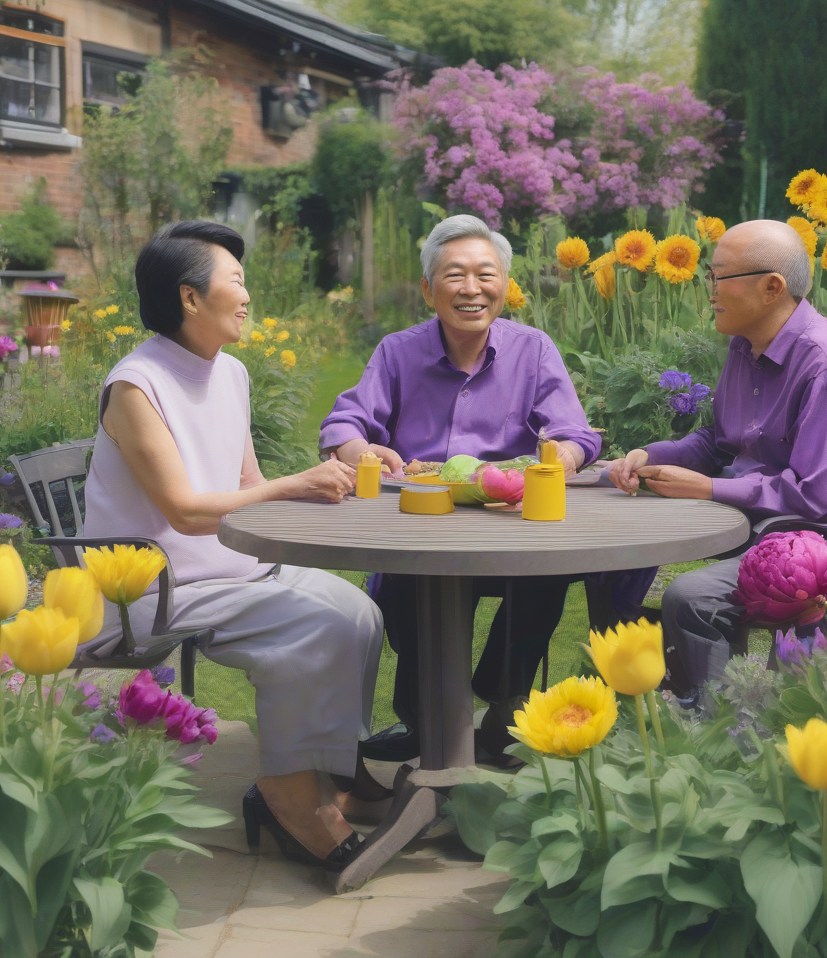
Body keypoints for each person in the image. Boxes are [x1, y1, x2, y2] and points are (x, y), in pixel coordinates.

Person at [83, 221, 387, 872]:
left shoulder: (233, 373)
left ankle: (334, 767)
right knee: (318, 625)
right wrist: (293, 484)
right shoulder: (137, 387)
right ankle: (288, 793)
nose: (248, 297)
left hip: (233, 569)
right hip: (155, 586)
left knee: (360, 613)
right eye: (237, 282)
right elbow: (187, 512)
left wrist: (311, 493)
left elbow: (248, 484)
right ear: (190, 298)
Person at [320, 214, 602, 765]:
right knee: (409, 590)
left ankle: (502, 705)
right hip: (421, 524)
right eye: (454, 275)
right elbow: (344, 424)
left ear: (504, 285)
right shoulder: (397, 352)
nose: (471, 289)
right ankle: (428, 725)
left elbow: (574, 434)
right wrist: (360, 451)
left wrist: (560, 457)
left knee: (546, 575)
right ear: (429, 289)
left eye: (485, 274)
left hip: (508, 523)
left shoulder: (533, 349)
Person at [609, 219, 827, 691]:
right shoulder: (745, 344)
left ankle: (728, 727)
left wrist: (708, 488)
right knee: (616, 556)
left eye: (719, 276)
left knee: (692, 598)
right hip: (773, 524)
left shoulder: (825, 365)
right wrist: (650, 454)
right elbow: (721, 440)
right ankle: (660, 693)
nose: (708, 290)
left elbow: (818, 498)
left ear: (772, 288)